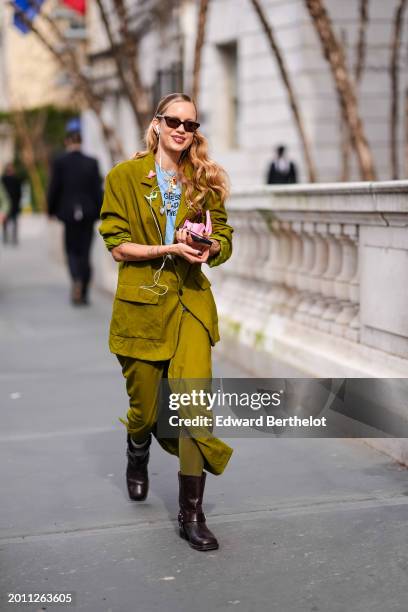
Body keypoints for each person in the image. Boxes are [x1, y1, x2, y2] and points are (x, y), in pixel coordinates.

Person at [99, 92, 234, 552]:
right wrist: (169, 249)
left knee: (195, 405)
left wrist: (209, 246)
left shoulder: (205, 180)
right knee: (147, 410)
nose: (182, 129)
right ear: (156, 124)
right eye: (173, 120)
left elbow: (226, 237)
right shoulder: (124, 177)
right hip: (141, 307)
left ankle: (190, 515)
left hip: (192, 304)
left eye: (190, 124)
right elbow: (117, 245)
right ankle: (138, 448)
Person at [47, 120, 103, 305]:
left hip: (68, 214)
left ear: (67, 142)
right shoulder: (92, 162)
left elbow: (54, 188)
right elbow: (98, 190)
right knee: (85, 252)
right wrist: (101, 211)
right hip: (88, 213)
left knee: (71, 251)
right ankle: (84, 289)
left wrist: (50, 210)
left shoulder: (60, 162)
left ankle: (76, 279)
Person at [1, 162, 22, 246]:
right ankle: (7, 237)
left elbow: (19, 192)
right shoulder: (4, 179)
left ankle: (13, 237)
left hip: (14, 203)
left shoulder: (15, 179)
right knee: (6, 221)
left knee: (14, 221)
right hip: (8, 204)